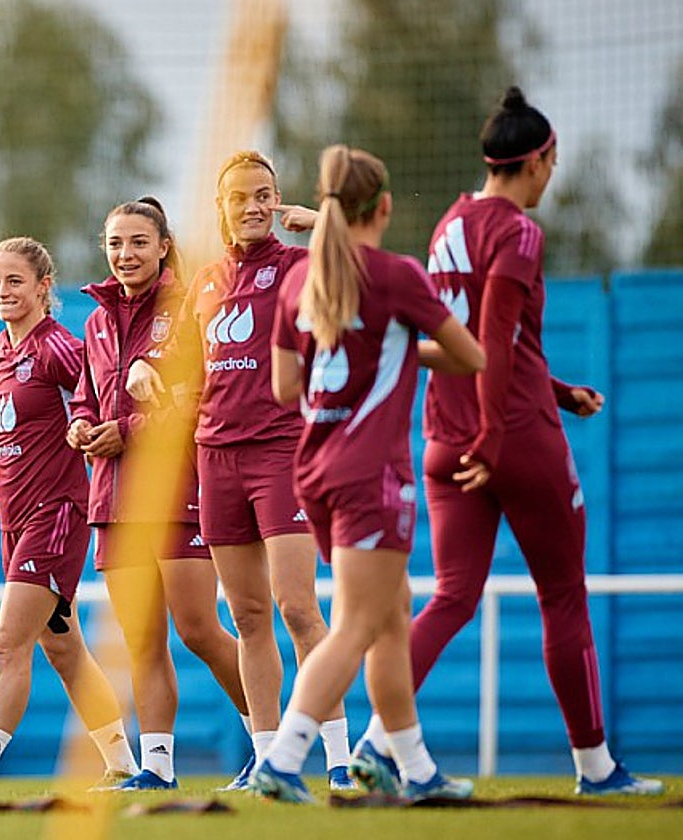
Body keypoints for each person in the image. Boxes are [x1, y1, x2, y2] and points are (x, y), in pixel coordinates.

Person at [352, 87, 664, 797]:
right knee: (563, 596)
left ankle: (377, 742)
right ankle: (596, 769)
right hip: (513, 439)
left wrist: (559, 388)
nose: (552, 176)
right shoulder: (520, 232)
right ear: (539, 160)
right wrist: (499, 432)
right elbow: (491, 338)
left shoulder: (449, 224)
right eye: (554, 163)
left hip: (445, 436)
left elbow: (470, 340)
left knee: (453, 598)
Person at [251, 144, 484, 803]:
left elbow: (282, 386)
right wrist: (401, 342)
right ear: (382, 207)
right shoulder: (395, 275)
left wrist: (366, 355)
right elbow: (470, 357)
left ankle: (409, 768)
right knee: (357, 623)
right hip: (371, 477)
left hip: (315, 471)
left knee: (390, 615)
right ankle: (285, 756)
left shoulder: (298, 282)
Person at [127, 151, 353, 789]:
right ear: (220, 208)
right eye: (240, 198)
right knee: (249, 616)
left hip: (282, 454)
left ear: (279, 202)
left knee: (298, 609)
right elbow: (178, 368)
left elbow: (378, 281)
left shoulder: (303, 266)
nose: (253, 207)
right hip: (214, 460)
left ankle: (338, 763)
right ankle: (270, 763)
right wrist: (147, 371)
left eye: (265, 195)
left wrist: (329, 225)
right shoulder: (203, 282)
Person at [0, 237, 139, 794]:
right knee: (64, 649)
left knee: (6, 643)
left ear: (44, 286)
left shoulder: (58, 348)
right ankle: (122, 763)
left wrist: (96, 429)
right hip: (15, 518)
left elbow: (101, 391)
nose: (2, 291)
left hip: (57, 515)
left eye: (14, 281)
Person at [67, 199, 250, 790]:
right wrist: (82, 425)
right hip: (113, 504)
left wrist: (129, 431)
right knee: (142, 642)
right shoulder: (95, 320)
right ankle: (158, 769)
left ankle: (277, 742)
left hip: (178, 494)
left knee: (197, 628)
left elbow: (198, 397)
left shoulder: (187, 305)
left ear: (164, 246)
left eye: (139, 242)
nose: (126, 255)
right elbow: (86, 395)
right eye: (116, 243)